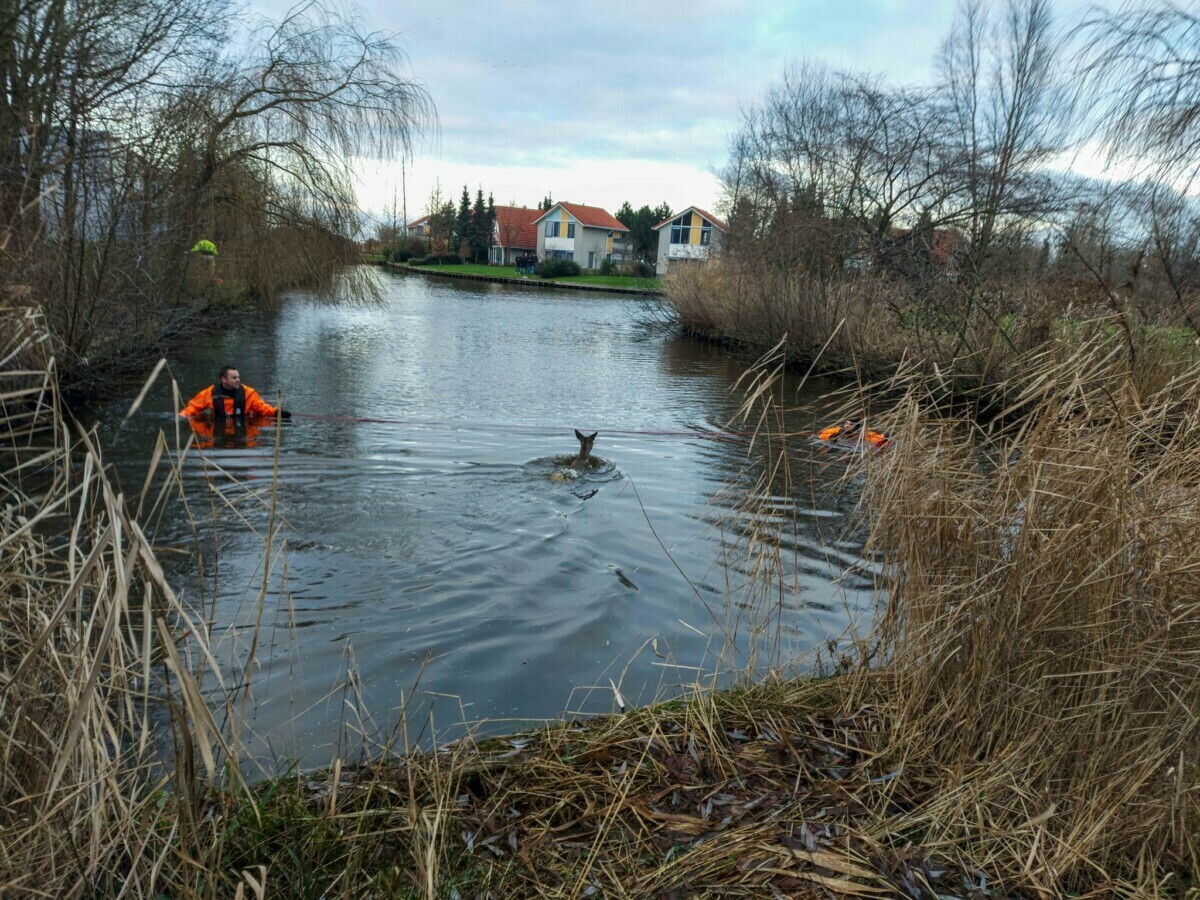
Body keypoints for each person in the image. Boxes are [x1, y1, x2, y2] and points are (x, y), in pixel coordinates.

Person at [179, 366, 291, 421]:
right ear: (224, 379)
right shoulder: (210, 393)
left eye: (238, 377)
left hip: (242, 424)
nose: (238, 380)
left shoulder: (248, 393)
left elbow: (262, 408)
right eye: (234, 378)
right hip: (218, 425)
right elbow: (192, 408)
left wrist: (277, 412)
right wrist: (180, 417)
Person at [818, 419, 889, 449]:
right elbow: (821, 435)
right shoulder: (837, 430)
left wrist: (885, 438)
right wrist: (833, 436)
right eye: (846, 423)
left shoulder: (863, 434)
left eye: (850, 424)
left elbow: (880, 438)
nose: (847, 425)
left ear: (856, 427)